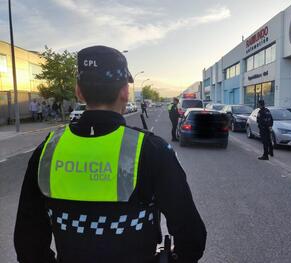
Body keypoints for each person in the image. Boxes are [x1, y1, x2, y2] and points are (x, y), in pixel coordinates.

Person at [14, 46, 206, 263]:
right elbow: (192, 238)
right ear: (124, 91)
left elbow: (27, 243)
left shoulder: (47, 150)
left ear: (79, 91)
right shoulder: (152, 150)